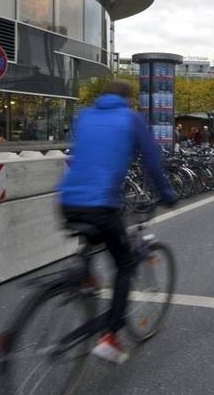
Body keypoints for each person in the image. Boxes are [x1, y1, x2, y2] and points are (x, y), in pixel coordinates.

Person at [58, 80, 177, 364]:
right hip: (101, 204)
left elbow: (88, 156)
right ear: (129, 99)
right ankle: (110, 337)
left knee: (91, 244)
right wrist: (167, 194)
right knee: (124, 264)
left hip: (67, 202)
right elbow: (151, 161)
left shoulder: (83, 116)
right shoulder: (131, 119)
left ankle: (85, 285)